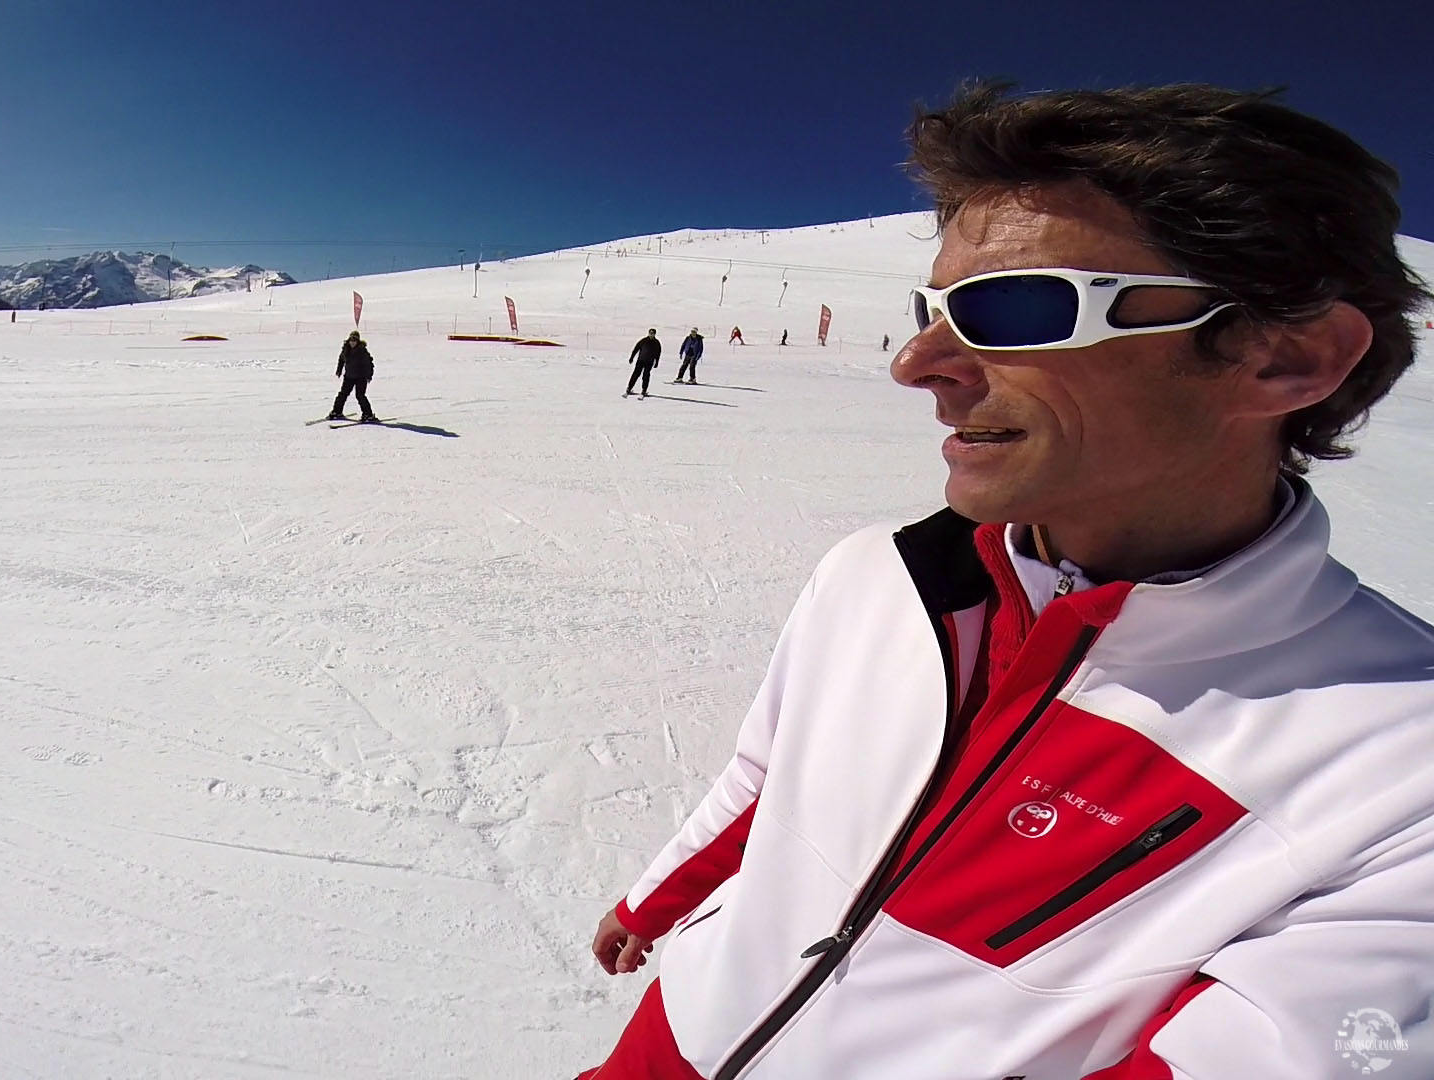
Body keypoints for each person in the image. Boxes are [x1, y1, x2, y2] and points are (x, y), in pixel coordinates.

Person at [581, 82, 1434, 1080]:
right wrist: (657, 901)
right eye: (931, 309)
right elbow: (770, 779)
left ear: (1285, 357)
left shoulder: (1395, 767)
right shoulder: (884, 576)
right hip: (675, 1041)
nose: (917, 363)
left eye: (1017, 309)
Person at [327, 330, 377, 421]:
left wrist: (369, 375)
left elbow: (369, 364)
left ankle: (368, 414)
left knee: (360, 395)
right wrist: (339, 370)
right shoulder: (346, 349)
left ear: (357, 341)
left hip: (360, 377)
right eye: (351, 340)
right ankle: (337, 411)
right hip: (349, 376)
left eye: (354, 341)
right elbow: (341, 359)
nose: (352, 342)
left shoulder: (362, 351)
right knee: (342, 394)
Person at [627, 329, 662, 398]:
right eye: (650, 333)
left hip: (649, 362)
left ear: (655, 334)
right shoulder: (643, 340)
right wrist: (632, 357)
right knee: (635, 374)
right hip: (641, 361)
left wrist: (657, 362)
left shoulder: (657, 343)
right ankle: (629, 388)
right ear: (648, 333)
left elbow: (658, 353)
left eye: (653, 333)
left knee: (646, 376)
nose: (651, 334)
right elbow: (636, 349)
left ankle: (644, 390)